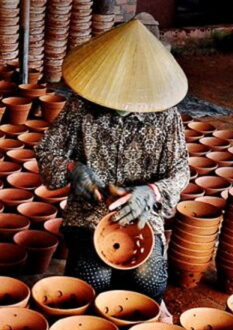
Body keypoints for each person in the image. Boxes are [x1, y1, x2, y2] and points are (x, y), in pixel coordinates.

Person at [35, 19, 190, 304]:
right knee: (93, 280)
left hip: (142, 212)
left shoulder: (166, 115)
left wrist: (151, 192)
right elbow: (47, 152)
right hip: (88, 212)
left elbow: (180, 170)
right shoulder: (80, 106)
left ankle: (145, 317)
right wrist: (73, 169)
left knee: (148, 280)